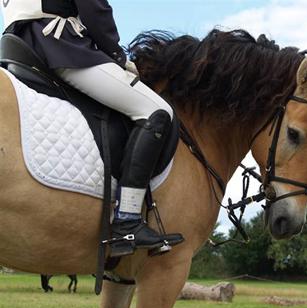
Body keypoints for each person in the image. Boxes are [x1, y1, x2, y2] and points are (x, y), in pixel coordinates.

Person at [1, 0, 183, 255]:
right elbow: (94, 8)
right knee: (156, 111)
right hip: (60, 44)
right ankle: (127, 220)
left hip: (19, 42)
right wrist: (117, 56)